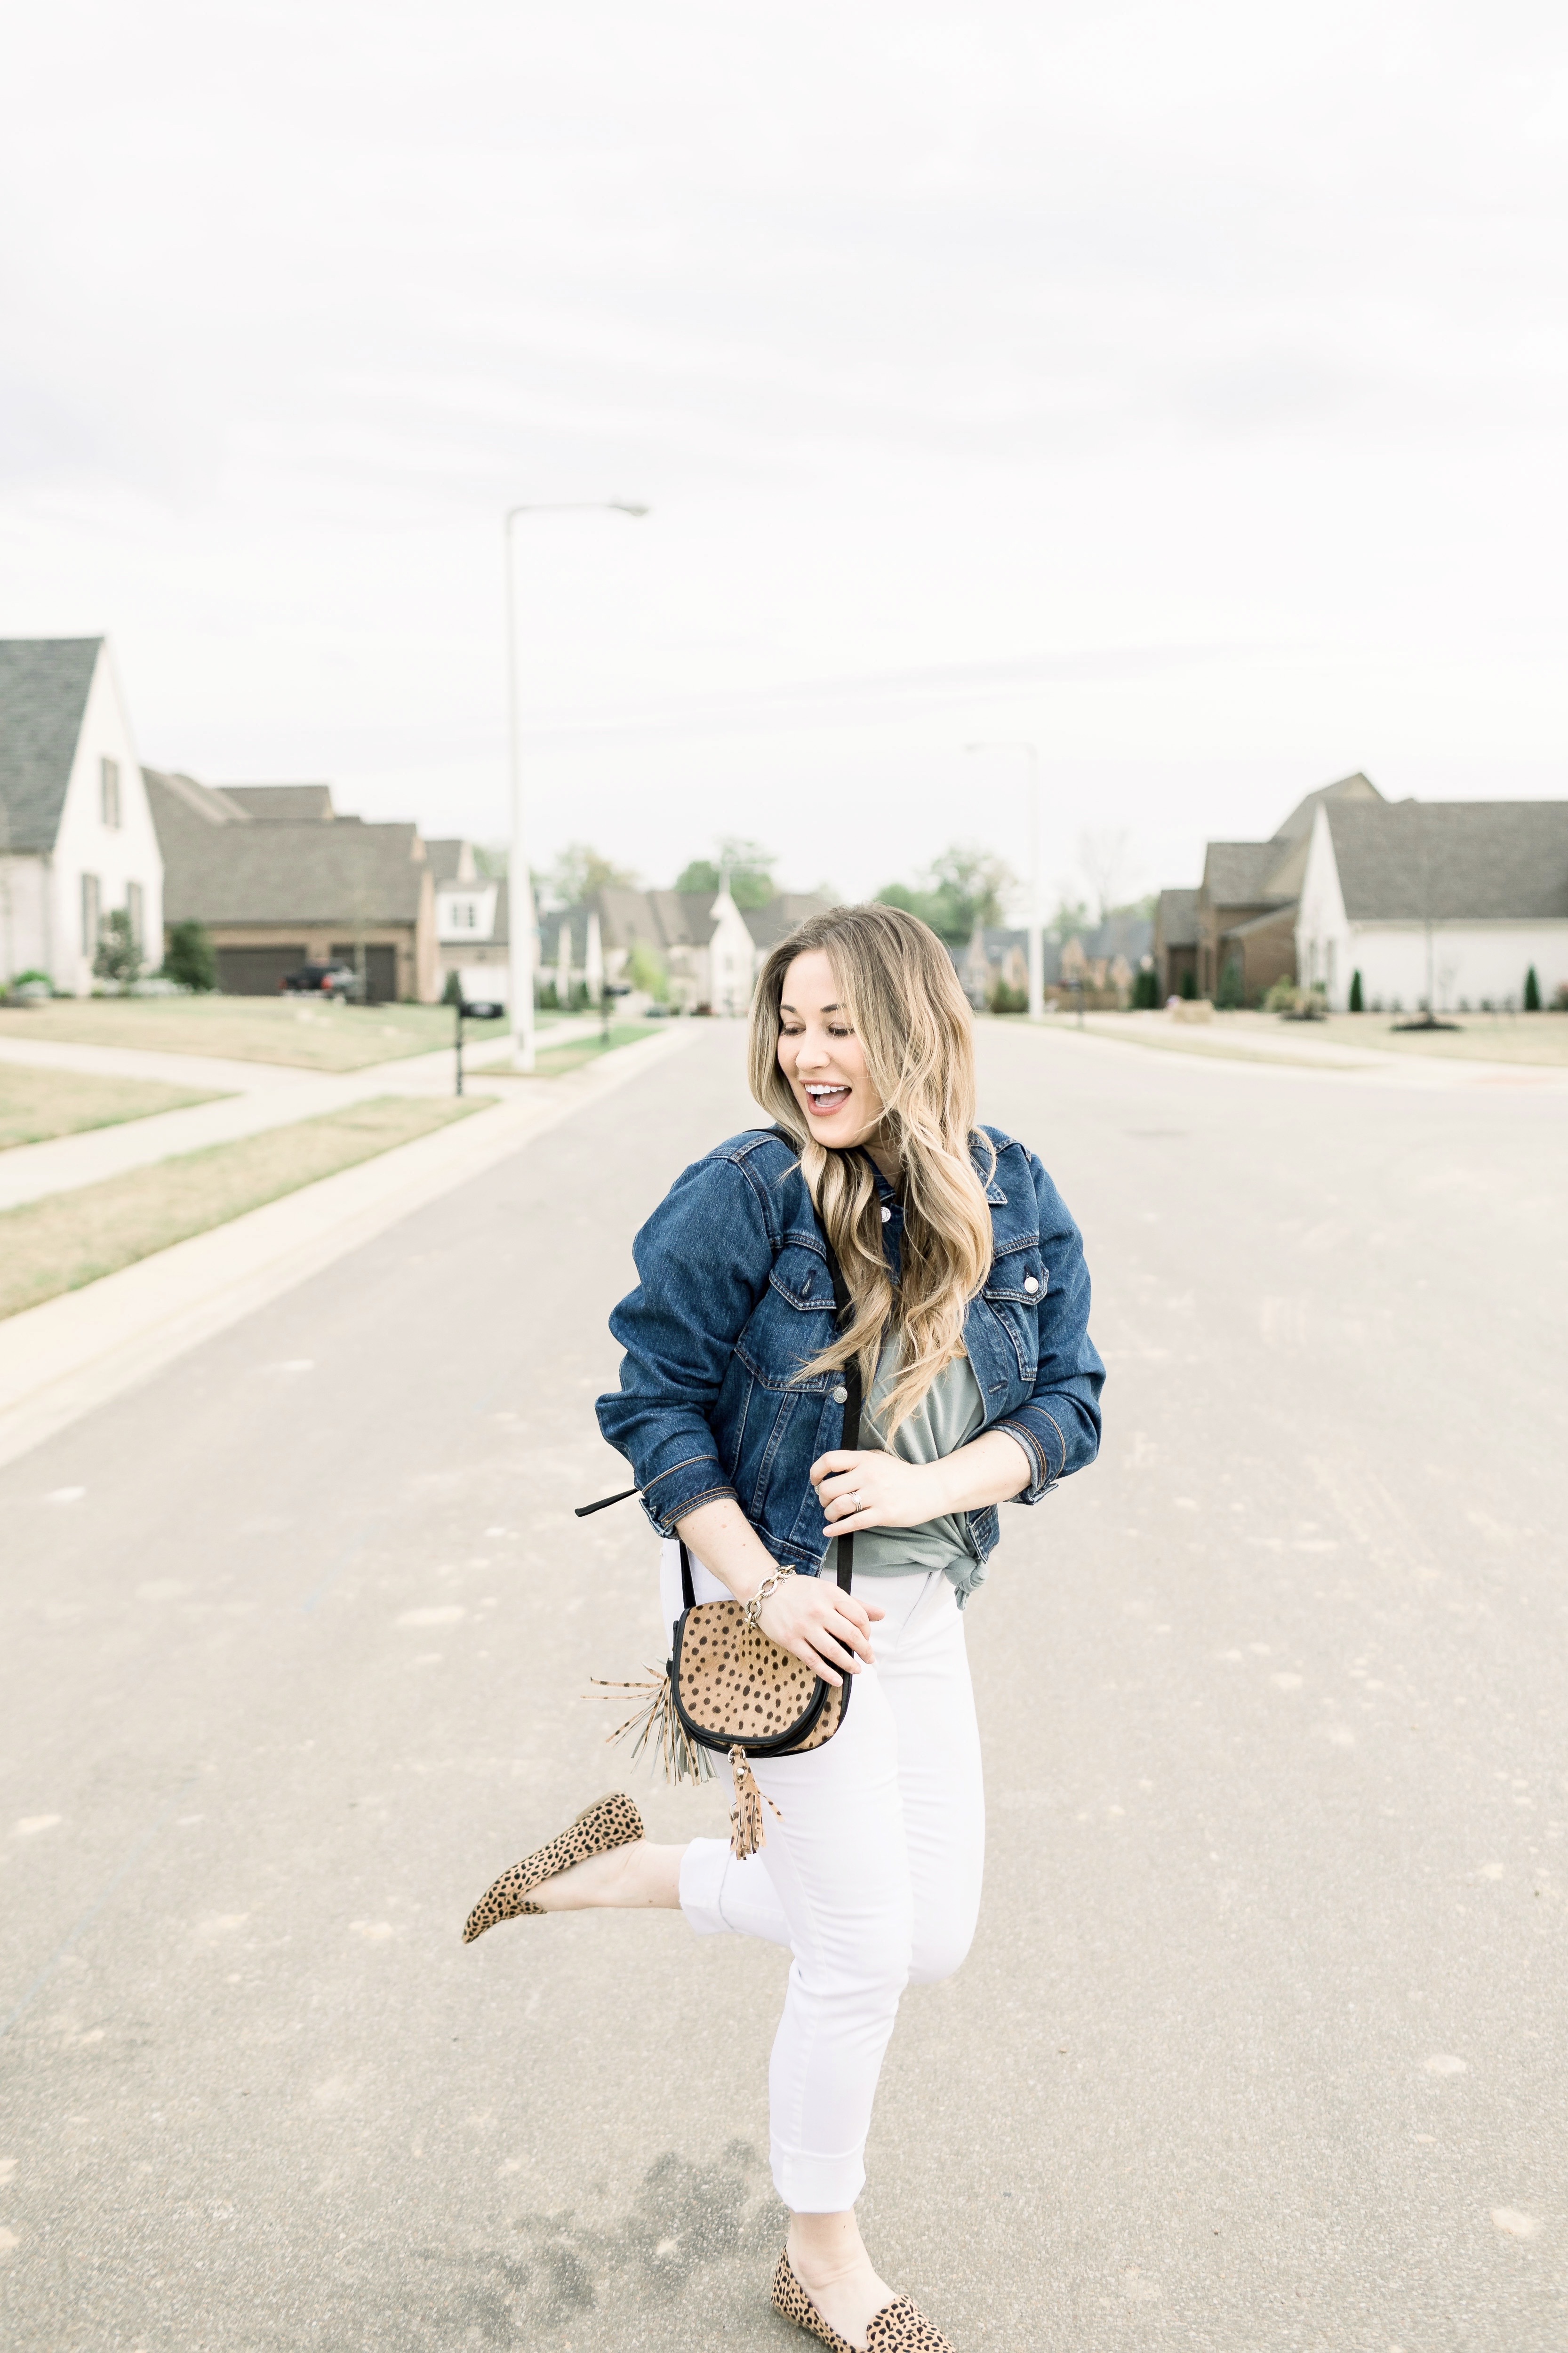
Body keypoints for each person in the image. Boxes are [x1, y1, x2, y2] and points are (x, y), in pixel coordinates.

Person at [463, 903, 1103, 2352]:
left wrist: (928, 1482)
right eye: (790, 1026)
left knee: (928, 1936)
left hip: (919, 1601)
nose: (809, 1057)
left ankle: (623, 1872)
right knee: (861, 1949)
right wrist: (763, 1584)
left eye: (840, 1027)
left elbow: (1070, 1406)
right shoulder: (748, 1188)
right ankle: (820, 2253)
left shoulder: (1011, 1190)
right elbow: (651, 1405)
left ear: (916, 1029)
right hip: (777, 1600)